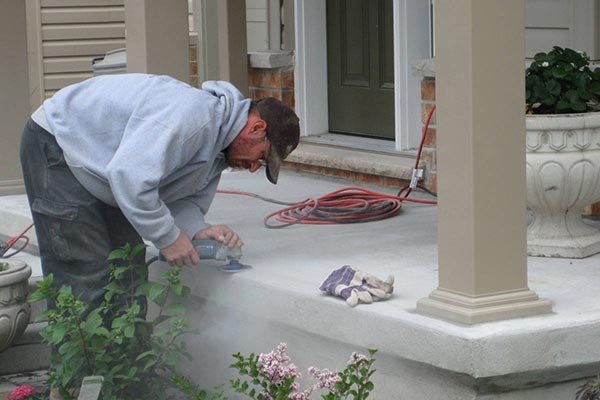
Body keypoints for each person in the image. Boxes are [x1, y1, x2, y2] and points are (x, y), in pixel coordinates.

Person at [20, 73, 300, 311]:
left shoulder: (218, 152)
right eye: (261, 158)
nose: (253, 168)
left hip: (105, 167)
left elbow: (181, 202)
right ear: (256, 128)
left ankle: (124, 375)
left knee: (128, 268)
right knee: (85, 273)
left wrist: (196, 230)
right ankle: (80, 375)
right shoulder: (196, 118)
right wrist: (168, 237)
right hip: (59, 142)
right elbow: (128, 175)